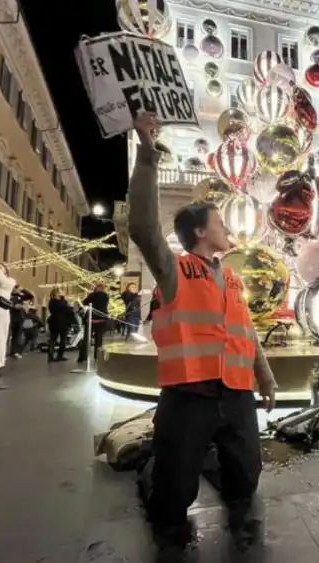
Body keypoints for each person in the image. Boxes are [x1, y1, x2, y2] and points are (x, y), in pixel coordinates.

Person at [128, 113, 277, 556]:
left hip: (235, 396)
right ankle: (158, 465)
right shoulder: (175, 271)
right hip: (188, 396)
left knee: (245, 482)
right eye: (219, 222)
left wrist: (264, 377)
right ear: (199, 231)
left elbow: (245, 331)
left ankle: (205, 461)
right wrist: (148, 154)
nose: (227, 227)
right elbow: (142, 228)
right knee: (171, 504)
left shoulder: (231, 277)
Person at [77, 282, 110, 363]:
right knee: (99, 338)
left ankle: (82, 356)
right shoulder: (106, 296)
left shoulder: (93, 295)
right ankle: (97, 356)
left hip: (91, 318)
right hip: (101, 318)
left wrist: (91, 293)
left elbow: (85, 302)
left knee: (87, 337)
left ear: (96, 288)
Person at [47, 287, 73, 362]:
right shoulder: (62, 302)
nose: (63, 292)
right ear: (57, 293)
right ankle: (60, 356)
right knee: (63, 340)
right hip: (62, 322)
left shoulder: (51, 301)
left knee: (52, 340)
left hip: (53, 321)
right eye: (61, 291)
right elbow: (68, 310)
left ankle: (50, 357)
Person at [9, 286, 33, 359]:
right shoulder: (8, 295)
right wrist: (14, 306)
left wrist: (23, 289)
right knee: (13, 336)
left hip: (19, 318)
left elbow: (30, 295)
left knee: (17, 336)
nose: (19, 291)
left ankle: (14, 351)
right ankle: (14, 352)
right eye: (17, 289)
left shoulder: (20, 296)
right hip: (12, 317)